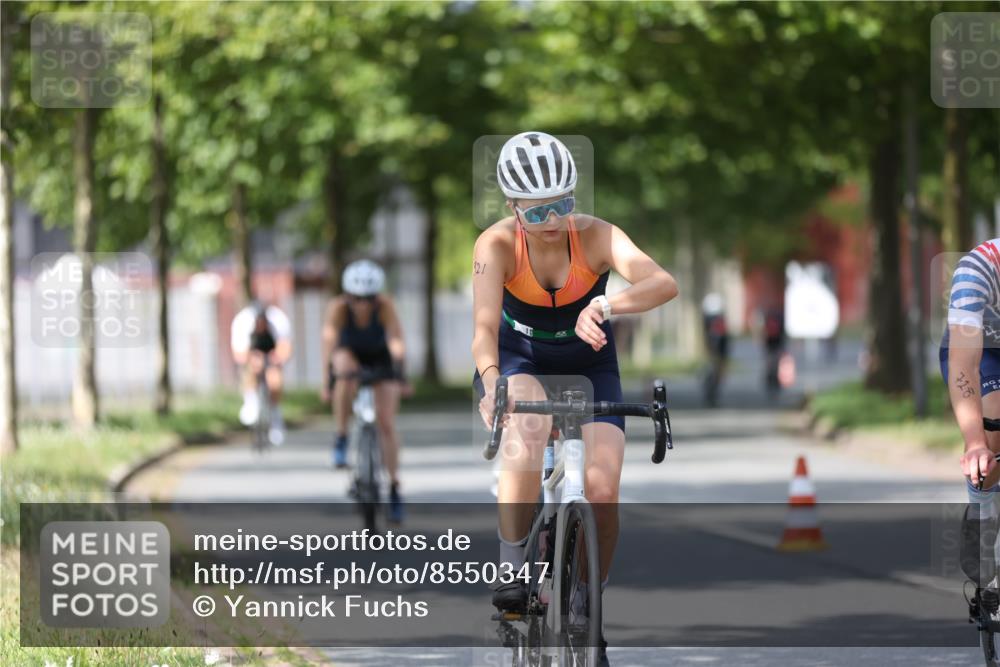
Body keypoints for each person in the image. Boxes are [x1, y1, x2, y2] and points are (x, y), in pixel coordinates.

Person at [472, 131, 678, 663]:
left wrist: (608, 306)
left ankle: (588, 607)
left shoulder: (595, 235)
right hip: (517, 361)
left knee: (603, 489)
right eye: (538, 212)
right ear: (513, 206)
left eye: (564, 204)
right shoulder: (495, 244)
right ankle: (512, 572)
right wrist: (492, 379)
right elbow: (482, 328)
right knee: (530, 426)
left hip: (590, 366)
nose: (553, 221)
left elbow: (662, 282)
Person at [321, 259, 408, 523]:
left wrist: (400, 373)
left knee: (386, 423)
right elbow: (329, 345)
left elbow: (396, 341)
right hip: (350, 357)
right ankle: (341, 436)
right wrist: (327, 381)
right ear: (348, 296)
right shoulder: (337, 309)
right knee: (343, 371)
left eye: (368, 299)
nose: (362, 305)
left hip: (379, 358)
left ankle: (393, 488)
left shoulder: (385, 307)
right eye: (357, 298)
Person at [942, 240, 1000, 593]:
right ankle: (981, 511)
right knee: (994, 415)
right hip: (982, 354)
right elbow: (965, 365)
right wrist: (975, 442)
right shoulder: (976, 270)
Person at [230, 300, 293, 446]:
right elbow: (239, 355)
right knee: (251, 370)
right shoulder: (242, 323)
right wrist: (253, 359)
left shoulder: (278, 321)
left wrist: (274, 358)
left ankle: (276, 418)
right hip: (251, 353)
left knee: (274, 378)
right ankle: (251, 401)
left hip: (272, 352)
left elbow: (285, 348)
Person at [701, 292, 729, 406]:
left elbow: (707, 335)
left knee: (713, 368)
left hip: (714, 348)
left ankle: (711, 388)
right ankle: (712, 388)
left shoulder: (707, 319)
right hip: (719, 348)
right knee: (717, 370)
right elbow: (724, 337)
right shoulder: (719, 318)